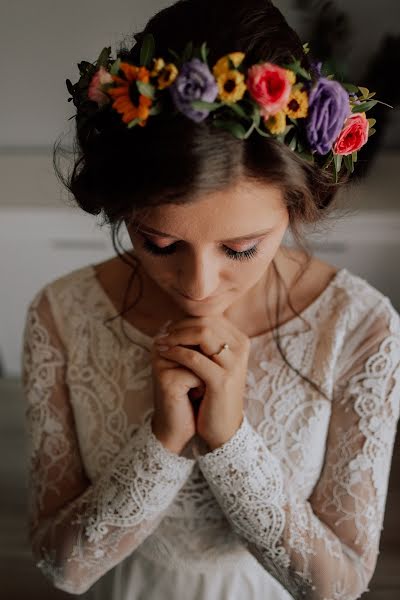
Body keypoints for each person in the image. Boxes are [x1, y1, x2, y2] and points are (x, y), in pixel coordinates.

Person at [21, 0, 400, 599]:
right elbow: (61, 567)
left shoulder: (361, 328)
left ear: (297, 208)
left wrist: (231, 442)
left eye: (243, 249)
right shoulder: (60, 315)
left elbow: (343, 584)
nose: (198, 286)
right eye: (159, 242)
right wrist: (163, 441)